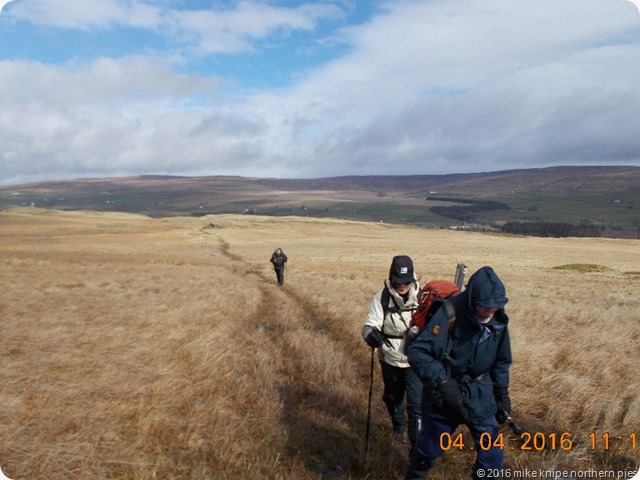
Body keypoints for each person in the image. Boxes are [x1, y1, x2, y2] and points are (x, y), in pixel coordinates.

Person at [405, 266, 512, 480]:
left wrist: (501, 394)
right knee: (429, 449)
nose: (490, 312)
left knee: (492, 458)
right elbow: (417, 352)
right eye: (485, 306)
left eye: (495, 306)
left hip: (480, 395)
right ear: (473, 300)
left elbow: (501, 361)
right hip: (442, 398)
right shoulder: (449, 313)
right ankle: (416, 473)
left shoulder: (498, 321)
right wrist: (443, 382)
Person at [362, 255, 422, 448]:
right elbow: (371, 324)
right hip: (391, 358)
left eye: (406, 282)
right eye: (398, 282)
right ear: (391, 279)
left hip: (416, 359)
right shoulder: (382, 297)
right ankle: (399, 426)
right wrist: (371, 335)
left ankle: (416, 443)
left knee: (416, 404)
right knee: (393, 397)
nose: (402, 286)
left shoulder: (424, 296)